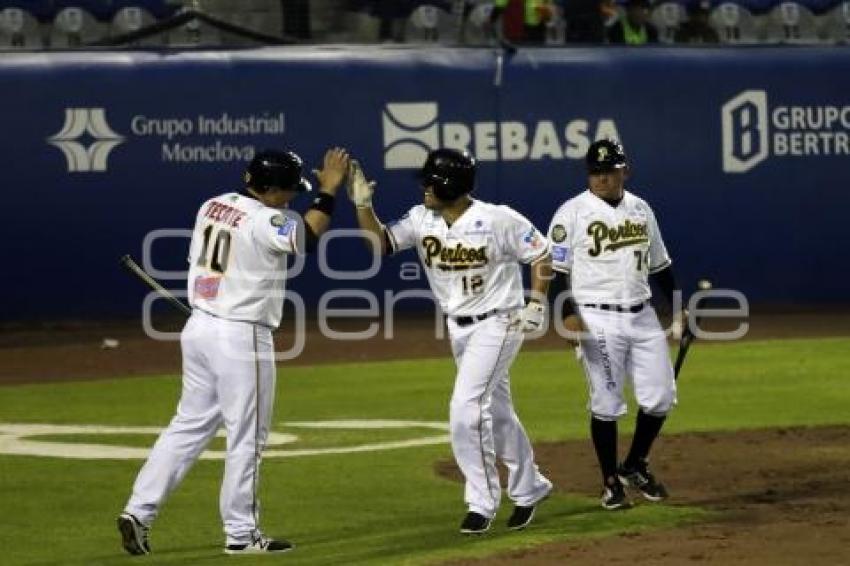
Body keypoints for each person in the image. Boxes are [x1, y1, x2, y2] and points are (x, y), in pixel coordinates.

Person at [117, 148, 350, 555]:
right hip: (240, 338)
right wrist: (328, 191)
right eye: (289, 191)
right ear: (271, 189)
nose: (293, 197)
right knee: (247, 437)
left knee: (187, 426)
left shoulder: (213, 204)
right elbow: (306, 238)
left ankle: (139, 510)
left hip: (201, 328)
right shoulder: (264, 220)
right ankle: (242, 535)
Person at [347, 149, 553, 534]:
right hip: (459, 328)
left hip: (500, 322)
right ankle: (531, 487)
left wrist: (537, 302)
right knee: (500, 413)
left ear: (452, 186)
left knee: (466, 406)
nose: (425, 187)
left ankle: (482, 501)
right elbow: (380, 245)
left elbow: (543, 253)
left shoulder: (498, 219)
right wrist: (362, 205)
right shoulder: (422, 218)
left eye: (431, 181)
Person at [547, 139, 684, 510]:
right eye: (596, 172)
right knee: (606, 402)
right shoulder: (571, 212)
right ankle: (610, 483)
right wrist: (566, 313)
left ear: (625, 170)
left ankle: (635, 463)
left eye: (609, 171)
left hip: (642, 314)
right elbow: (555, 270)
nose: (602, 178)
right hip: (596, 317)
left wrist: (678, 309)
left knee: (661, 396)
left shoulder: (641, 209)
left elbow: (660, 265)